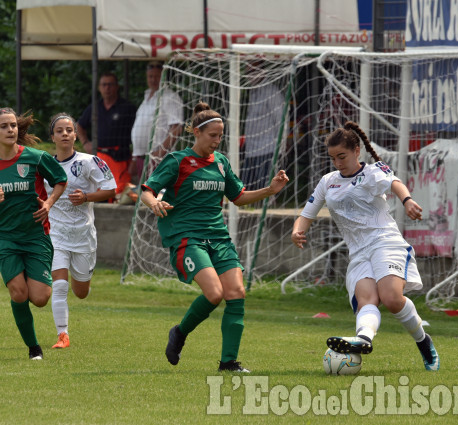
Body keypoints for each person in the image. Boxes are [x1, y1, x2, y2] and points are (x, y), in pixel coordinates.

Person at [140, 102, 289, 372]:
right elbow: (147, 190)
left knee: (237, 293)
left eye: (221, 135)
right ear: (196, 133)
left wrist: (270, 190)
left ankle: (228, 363)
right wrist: (154, 203)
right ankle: (180, 332)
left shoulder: (221, 163)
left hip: (218, 238)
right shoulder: (178, 161)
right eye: (213, 135)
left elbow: (239, 197)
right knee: (214, 293)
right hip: (187, 238)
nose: (218, 141)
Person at [290, 121, 440, 371]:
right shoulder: (328, 182)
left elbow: (395, 183)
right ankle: (363, 340)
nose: (338, 163)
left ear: (356, 151)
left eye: (342, 156)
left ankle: (424, 342)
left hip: (385, 242)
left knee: (392, 299)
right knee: (366, 300)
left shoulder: (372, 172)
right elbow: (307, 213)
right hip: (358, 252)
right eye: (333, 158)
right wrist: (298, 230)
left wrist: (407, 201)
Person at [0, 107, 67, 360]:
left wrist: (48, 204)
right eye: (3, 126)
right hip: (5, 237)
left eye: (13, 125)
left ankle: (24, 275)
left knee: (41, 298)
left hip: (36, 237)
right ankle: (34, 349)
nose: (10, 130)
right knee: (19, 293)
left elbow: (60, 179)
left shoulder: (35, 157)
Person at [45, 113, 117, 349]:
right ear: (53, 136)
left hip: (84, 236)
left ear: (75, 135)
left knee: (81, 292)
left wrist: (86, 196)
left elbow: (110, 189)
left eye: (69, 130)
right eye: (60, 131)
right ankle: (62, 335)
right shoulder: (44, 164)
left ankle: (83, 278)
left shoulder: (90, 162)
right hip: (56, 234)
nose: (65, 134)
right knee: (59, 284)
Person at [77, 72, 137, 201]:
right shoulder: (94, 108)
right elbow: (79, 126)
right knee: (100, 191)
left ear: (117, 87)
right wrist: (85, 143)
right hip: (99, 158)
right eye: (104, 85)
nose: (107, 88)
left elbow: (138, 133)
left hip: (121, 157)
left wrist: (135, 158)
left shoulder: (127, 108)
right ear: (99, 88)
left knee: (119, 192)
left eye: (110, 85)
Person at [130, 61, 184, 185]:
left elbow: (176, 129)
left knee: (158, 198)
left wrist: (158, 154)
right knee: (144, 197)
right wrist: (134, 157)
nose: (153, 79)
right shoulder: (147, 96)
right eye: (150, 76)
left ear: (164, 77)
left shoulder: (170, 96)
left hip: (159, 159)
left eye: (157, 76)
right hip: (141, 158)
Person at [240, 61, 286, 191]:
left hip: (267, 149)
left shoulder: (271, 92)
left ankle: (269, 208)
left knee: (267, 188)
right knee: (246, 188)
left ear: (262, 72)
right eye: (248, 72)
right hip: (251, 149)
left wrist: (281, 146)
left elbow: (281, 119)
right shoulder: (253, 92)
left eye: (252, 72)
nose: (249, 76)